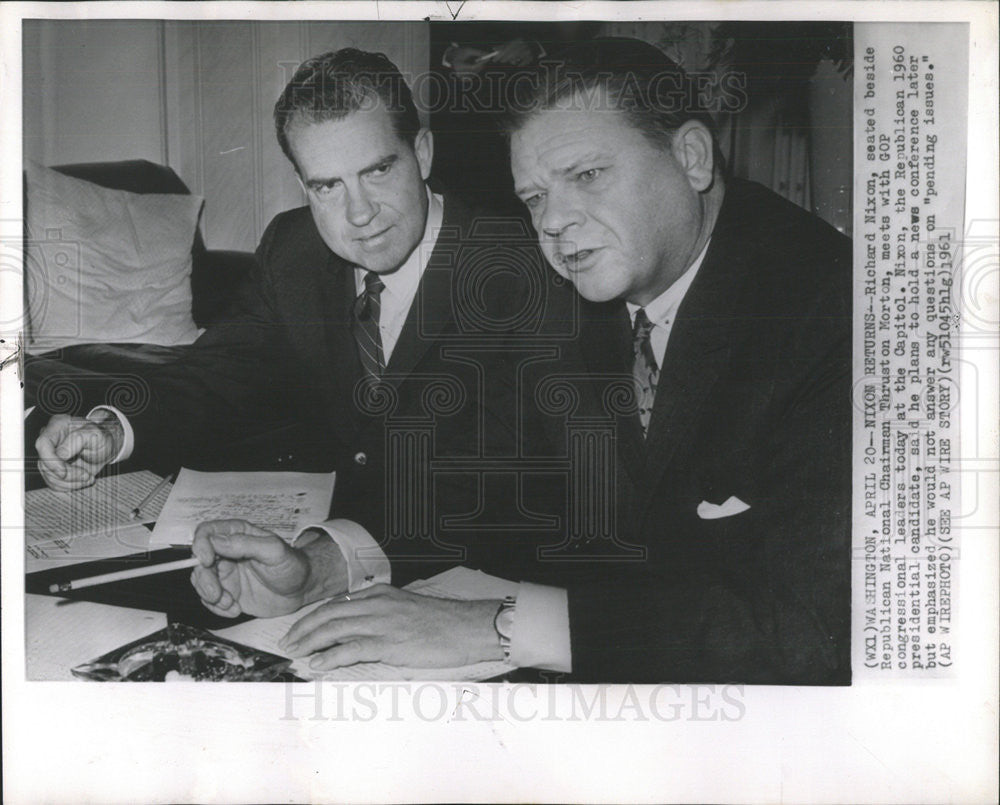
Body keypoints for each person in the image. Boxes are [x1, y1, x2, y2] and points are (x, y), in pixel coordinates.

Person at [181, 37, 850, 684]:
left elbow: (806, 629)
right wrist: (322, 566)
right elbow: (501, 486)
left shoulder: (829, 313)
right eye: (534, 197)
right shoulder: (589, 289)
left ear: (693, 157)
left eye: (587, 175)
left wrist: (496, 625)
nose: (554, 220)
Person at [34, 48, 573, 672]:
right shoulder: (293, 247)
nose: (359, 214)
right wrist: (112, 427)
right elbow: (224, 368)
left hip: (488, 602)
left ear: (422, 154)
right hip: (325, 591)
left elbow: (499, 480)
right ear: (303, 185)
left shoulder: (522, 268)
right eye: (327, 185)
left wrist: (325, 561)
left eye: (377, 170)